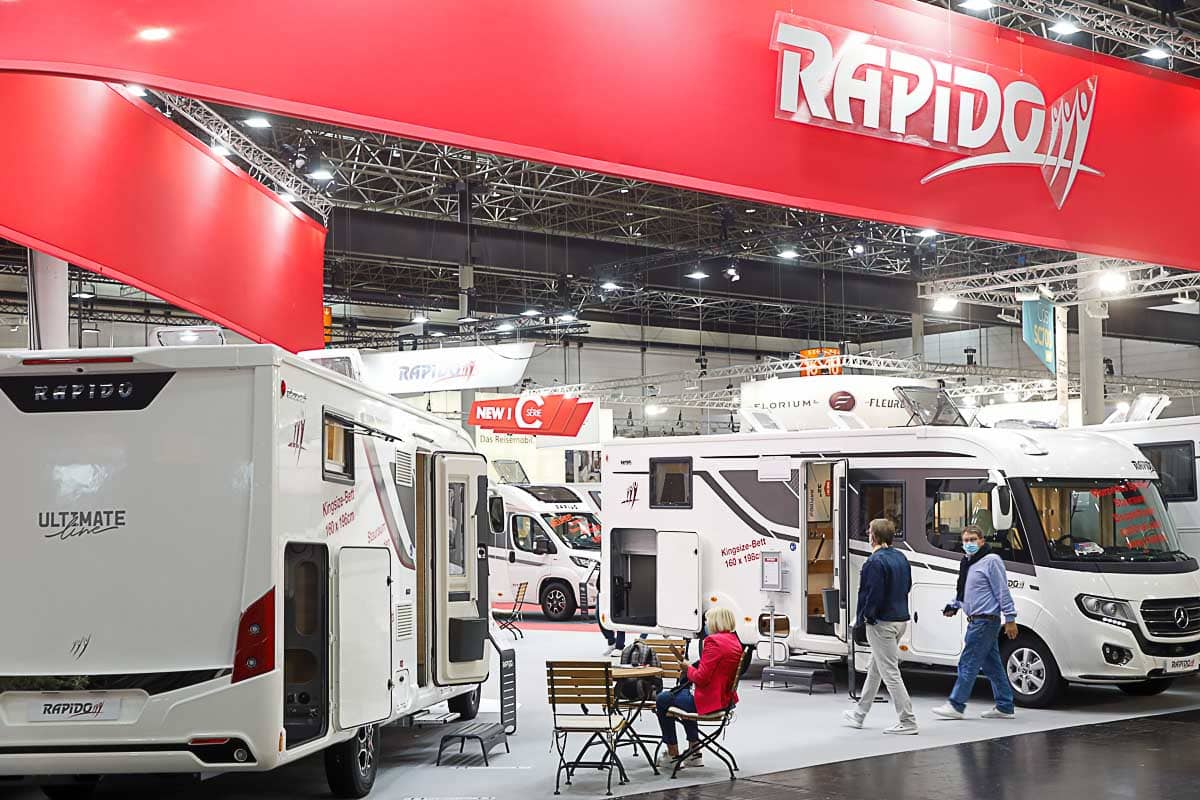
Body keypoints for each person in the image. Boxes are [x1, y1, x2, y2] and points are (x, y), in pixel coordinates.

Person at [932, 524, 1019, 720]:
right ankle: (1005, 706)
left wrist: (1010, 618)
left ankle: (956, 705)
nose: (969, 543)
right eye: (966, 540)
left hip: (985, 621)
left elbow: (1002, 591)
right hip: (977, 620)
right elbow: (965, 591)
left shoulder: (991, 561)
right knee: (992, 666)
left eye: (973, 540)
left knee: (968, 662)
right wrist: (954, 605)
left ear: (982, 541)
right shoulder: (967, 562)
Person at [843, 518, 918, 735]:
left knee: (890, 673)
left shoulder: (873, 562)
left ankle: (908, 720)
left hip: (881, 623)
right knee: (876, 668)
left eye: (869, 532)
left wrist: (866, 617)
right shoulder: (901, 557)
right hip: (900, 619)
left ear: (873, 537)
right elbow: (907, 586)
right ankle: (859, 714)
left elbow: (871, 594)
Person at [654, 606, 743, 769]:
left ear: (715, 622)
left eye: (707, 621)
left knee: (662, 699)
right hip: (725, 700)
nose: (706, 625)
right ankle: (694, 751)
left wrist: (687, 668)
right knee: (682, 696)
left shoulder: (713, 642)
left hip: (709, 702)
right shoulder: (734, 641)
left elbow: (701, 679)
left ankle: (673, 753)